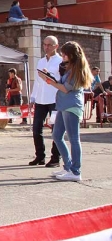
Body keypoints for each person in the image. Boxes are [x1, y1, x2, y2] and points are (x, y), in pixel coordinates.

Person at [39, 41, 93, 182]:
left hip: (71, 105)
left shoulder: (77, 70)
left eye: (64, 54)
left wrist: (50, 81)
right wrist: (50, 77)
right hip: (64, 105)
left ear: (71, 55)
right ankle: (68, 167)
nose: (62, 56)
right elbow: (63, 84)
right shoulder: (71, 68)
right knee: (57, 135)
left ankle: (75, 171)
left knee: (73, 138)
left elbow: (65, 88)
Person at [29, 35, 63, 167]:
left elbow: (61, 80)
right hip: (41, 100)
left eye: (49, 45)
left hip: (54, 99)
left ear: (56, 46)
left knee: (56, 129)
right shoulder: (41, 61)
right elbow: (37, 81)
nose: (46, 47)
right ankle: (40, 156)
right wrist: (33, 97)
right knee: (36, 128)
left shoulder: (60, 61)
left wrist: (49, 75)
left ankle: (55, 157)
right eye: (44, 44)